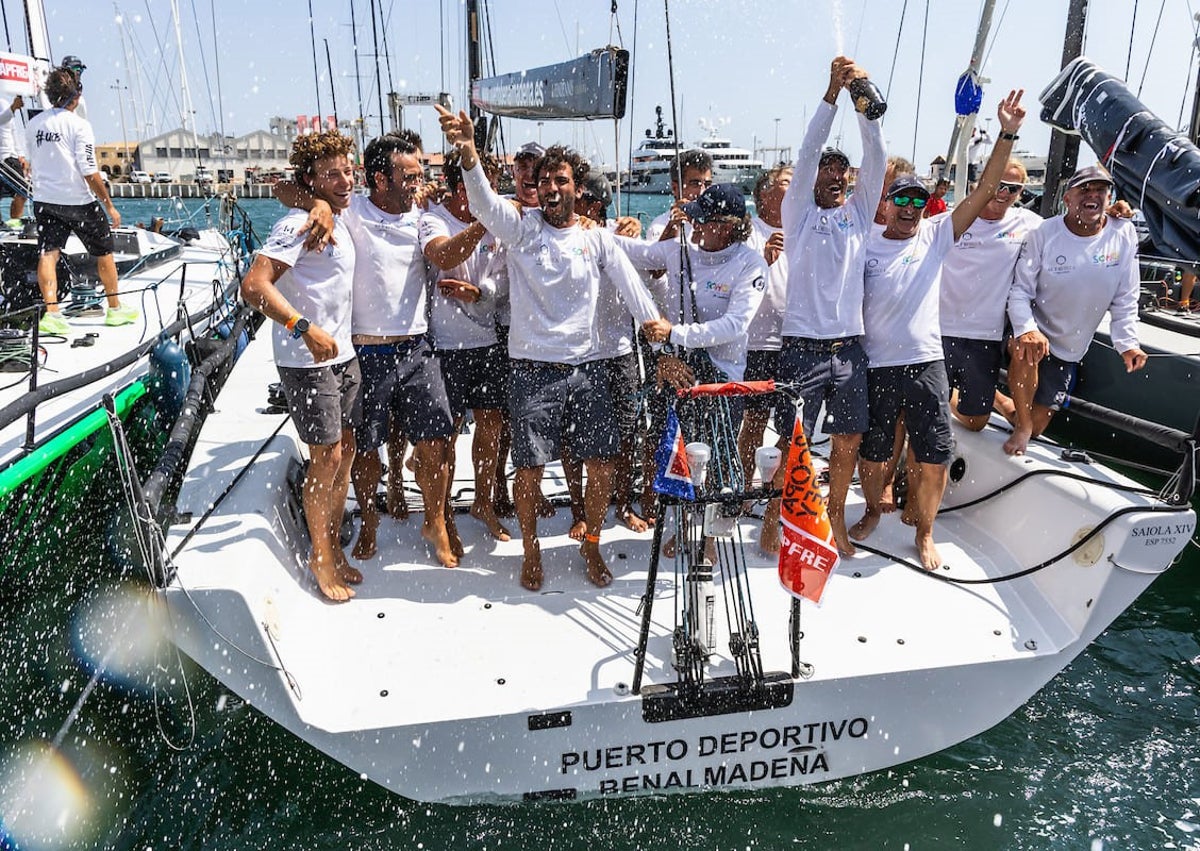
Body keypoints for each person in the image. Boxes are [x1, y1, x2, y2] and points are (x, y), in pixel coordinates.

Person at [437, 104, 662, 592]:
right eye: (545, 183)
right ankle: (532, 549)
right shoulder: (520, 229)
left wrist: (653, 323)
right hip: (533, 369)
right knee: (531, 468)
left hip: (589, 367)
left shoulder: (597, 238)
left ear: (577, 187)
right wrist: (470, 153)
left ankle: (594, 543)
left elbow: (630, 284)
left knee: (602, 461)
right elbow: (481, 203)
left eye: (562, 181)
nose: (554, 190)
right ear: (535, 188)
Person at [850, 90, 1027, 571]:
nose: (909, 207)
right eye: (900, 198)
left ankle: (924, 534)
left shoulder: (936, 233)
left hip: (927, 364)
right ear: (883, 204)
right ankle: (870, 511)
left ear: (925, 206)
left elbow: (987, 188)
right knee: (874, 454)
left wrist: (1007, 132)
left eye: (917, 199)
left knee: (933, 458)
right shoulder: (862, 245)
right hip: (878, 365)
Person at [277, 133, 458, 568]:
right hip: (363, 349)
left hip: (417, 346)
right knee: (363, 450)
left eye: (421, 174)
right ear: (380, 179)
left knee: (435, 443)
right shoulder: (349, 209)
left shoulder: (423, 214)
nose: (419, 181)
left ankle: (434, 521)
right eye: (409, 174)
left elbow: (444, 253)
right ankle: (370, 521)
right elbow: (281, 189)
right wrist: (315, 203)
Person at [760, 56, 886, 558]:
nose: (834, 175)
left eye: (841, 170)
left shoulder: (859, 212)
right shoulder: (798, 214)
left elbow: (875, 153)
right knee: (792, 439)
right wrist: (831, 93)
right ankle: (774, 513)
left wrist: (862, 101)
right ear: (811, 180)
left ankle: (833, 512)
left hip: (849, 350)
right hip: (800, 349)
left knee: (848, 439)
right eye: (826, 170)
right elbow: (808, 150)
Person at [240, 129, 359, 602]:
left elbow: (280, 186)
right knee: (325, 458)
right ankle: (322, 555)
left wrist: (324, 201)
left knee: (345, 450)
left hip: (344, 354)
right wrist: (302, 327)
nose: (346, 180)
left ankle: (332, 541)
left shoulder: (335, 214)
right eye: (334, 174)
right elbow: (254, 286)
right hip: (307, 359)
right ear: (312, 178)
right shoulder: (297, 225)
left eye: (349, 170)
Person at [1001, 164, 1148, 456]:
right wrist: (1028, 330)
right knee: (1027, 349)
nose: (1092, 195)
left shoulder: (1125, 233)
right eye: (1084, 189)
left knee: (1038, 424)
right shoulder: (1044, 233)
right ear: (1067, 198)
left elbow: (1126, 298)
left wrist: (1127, 343)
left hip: (1070, 348)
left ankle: (996, 403)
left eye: (1100, 190)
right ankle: (1021, 427)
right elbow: (1020, 292)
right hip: (1033, 335)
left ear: (1109, 198)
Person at [419, 149, 512, 542]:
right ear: (462, 188)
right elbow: (443, 255)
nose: (487, 194)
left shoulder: (501, 227)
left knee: (490, 426)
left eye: (489, 188)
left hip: (487, 340)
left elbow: (505, 283)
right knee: (447, 435)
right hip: (444, 345)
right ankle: (443, 516)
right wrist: (482, 222)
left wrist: (480, 293)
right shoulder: (432, 218)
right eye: (479, 188)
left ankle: (483, 502)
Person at [27, 68, 137, 336]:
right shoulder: (79, 126)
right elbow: (89, 171)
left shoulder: (33, 124)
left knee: (48, 253)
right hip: (77, 201)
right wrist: (109, 205)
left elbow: (28, 163)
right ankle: (114, 309)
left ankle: (52, 313)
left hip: (44, 200)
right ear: (75, 97)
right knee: (104, 250)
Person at [569, 172, 650, 535]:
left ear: (595, 204)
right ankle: (578, 511)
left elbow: (652, 270)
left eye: (580, 199)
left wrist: (637, 231)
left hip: (620, 350)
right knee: (574, 435)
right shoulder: (567, 231)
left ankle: (622, 503)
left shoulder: (623, 233)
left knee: (628, 430)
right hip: (580, 351)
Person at [938, 159, 1042, 430]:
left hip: (986, 335)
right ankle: (942, 399)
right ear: (982, 184)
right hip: (941, 330)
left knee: (976, 422)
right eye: (999, 184)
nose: (1005, 193)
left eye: (1014, 189)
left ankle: (991, 399)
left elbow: (1067, 229)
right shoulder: (952, 220)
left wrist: (1110, 218)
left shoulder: (1027, 223)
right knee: (929, 409)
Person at [737, 165, 791, 493]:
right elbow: (734, 280)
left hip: (795, 344)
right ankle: (744, 485)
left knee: (789, 430)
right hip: (756, 344)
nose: (797, 187)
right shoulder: (749, 231)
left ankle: (776, 498)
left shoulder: (805, 228)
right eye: (788, 182)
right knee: (754, 424)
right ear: (765, 194)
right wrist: (763, 258)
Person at [0, 92, 27, 220]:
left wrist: (20, 154)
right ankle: (11, 223)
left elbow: (13, 130)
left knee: (22, 192)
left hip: (10, 157)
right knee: (23, 191)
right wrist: (13, 108)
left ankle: (13, 223)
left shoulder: (3, 103)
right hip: (4, 158)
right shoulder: (7, 106)